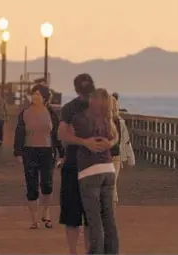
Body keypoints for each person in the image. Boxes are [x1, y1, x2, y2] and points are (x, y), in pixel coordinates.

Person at [57, 74, 112, 255]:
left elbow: (114, 128)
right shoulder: (70, 109)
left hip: (93, 168)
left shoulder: (99, 106)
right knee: (73, 216)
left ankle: (90, 250)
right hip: (74, 165)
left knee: (91, 218)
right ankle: (74, 252)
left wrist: (110, 143)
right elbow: (62, 134)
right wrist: (84, 142)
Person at [71, 88, 119, 255]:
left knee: (94, 219)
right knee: (109, 217)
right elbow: (115, 137)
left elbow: (69, 136)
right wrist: (110, 144)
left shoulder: (82, 118)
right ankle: (112, 252)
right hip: (108, 169)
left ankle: (96, 252)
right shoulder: (108, 120)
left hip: (89, 170)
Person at [13, 85, 64, 229]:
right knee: (31, 185)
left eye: (38, 94)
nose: (35, 97)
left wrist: (62, 153)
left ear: (45, 98)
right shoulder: (25, 113)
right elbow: (19, 133)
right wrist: (18, 152)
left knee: (47, 184)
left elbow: (57, 135)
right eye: (33, 94)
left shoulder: (52, 114)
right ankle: (34, 218)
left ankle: (46, 212)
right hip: (30, 152)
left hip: (47, 152)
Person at [110, 95, 136, 204]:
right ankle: (111, 206)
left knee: (110, 183)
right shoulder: (120, 122)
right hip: (115, 155)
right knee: (112, 182)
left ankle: (110, 206)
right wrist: (131, 158)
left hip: (108, 155)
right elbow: (126, 141)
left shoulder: (101, 120)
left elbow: (125, 140)